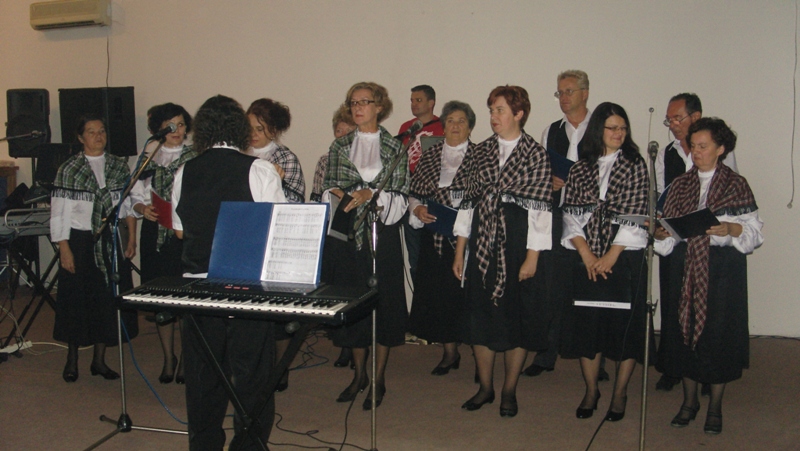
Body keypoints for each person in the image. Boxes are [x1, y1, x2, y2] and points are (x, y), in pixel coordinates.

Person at [171, 95, 286, 450]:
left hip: (199, 286)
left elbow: (179, 231)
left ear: (202, 129)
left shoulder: (185, 170)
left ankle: (204, 444)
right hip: (247, 285)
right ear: (239, 128)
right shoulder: (260, 170)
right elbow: (277, 228)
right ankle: (249, 444)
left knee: (204, 373)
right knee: (252, 373)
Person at [451, 86, 552, 418]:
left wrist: (532, 258)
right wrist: (460, 252)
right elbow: (467, 206)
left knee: (515, 319)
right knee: (480, 318)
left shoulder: (535, 154)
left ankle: (509, 390)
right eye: (492, 110)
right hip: (482, 241)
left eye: (500, 110)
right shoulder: (479, 152)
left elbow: (540, 212)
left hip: (518, 243)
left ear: (519, 113)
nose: (493, 117)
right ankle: (485, 387)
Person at [656, 117, 762, 435]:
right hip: (684, 268)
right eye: (693, 146)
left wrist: (732, 229)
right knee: (683, 333)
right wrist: (661, 234)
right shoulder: (680, 185)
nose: (696, 152)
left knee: (718, 337)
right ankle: (689, 402)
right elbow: (668, 234)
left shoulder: (736, 185)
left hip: (722, 271)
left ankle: (715, 406)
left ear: (721, 148)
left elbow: (754, 233)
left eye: (703, 146)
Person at [560, 101, 652, 422]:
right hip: (586, 256)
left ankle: (620, 392)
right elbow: (570, 216)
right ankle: (591, 390)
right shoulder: (580, 169)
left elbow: (637, 215)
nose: (618, 133)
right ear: (598, 130)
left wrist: (611, 255)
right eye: (612, 127)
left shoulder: (635, 165)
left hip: (624, 256)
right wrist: (587, 255)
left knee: (623, 330)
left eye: (623, 128)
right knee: (588, 328)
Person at [321, 82, 409, 410]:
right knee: (353, 305)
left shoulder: (395, 147)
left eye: (364, 102)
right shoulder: (340, 146)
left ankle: (378, 377)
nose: (357, 108)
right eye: (353, 103)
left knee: (381, 306)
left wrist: (371, 194)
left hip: (381, 235)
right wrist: (347, 194)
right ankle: (359, 375)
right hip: (349, 236)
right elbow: (330, 185)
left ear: (379, 107)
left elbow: (400, 195)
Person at [654, 93, 739, 392]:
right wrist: (661, 224)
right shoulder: (666, 154)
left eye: (678, 118)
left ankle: (708, 371)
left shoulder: (719, 152)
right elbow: (662, 194)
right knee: (674, 304)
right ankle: (675, 366)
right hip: (678, 244)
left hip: (711, 249)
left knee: (713, 315)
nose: (673, 125)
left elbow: (731, 198)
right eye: (669, 120)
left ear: (696, 116)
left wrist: (723, 225)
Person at [51, 115, 138, 382]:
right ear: (80, 137)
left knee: (106, 300)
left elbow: (126, 206)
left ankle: (99, 361)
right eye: (91, 132)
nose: (98, 136)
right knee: (77, 300)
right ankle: (72, 359)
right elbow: (59, 213)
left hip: (110, 238)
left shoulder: (118, 166)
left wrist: (131, 238)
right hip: (79, 241)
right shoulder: (69, 169)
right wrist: (64, 248)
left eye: (102, 131)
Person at [523, 70, 597, 378]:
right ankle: (546, 353)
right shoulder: (550, 131)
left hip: (591, 220)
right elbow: (539, 173)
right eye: (560, 93)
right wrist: (549, 181)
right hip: (556, 215)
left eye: (569, 91)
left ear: (585, 94)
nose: (563, 98)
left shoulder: (601, 128)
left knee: (590, 287)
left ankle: (594, 357)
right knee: (551, 286)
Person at [407, 100, 476, 376]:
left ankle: (479, 354)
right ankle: (450, 352)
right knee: (440, 297)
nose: (455, 126)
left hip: (470, 239)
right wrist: (418, 209)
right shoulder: (431, 154)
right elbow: (414, 193)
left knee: (467, 297)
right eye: (450, 121)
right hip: (435, 236)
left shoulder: (481, 156)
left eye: (461, 121)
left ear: (470, 127)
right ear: (443, 126)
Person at [131, 102, 196, 384]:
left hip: (184, 235)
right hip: (155, 233)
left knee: (186, 298)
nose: (177, 130)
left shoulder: (195, 156)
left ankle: (187, 357)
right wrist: (142, 208)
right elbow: (135, 194)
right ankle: (169, 357)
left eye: (181, 124)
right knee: (162, 298)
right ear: (158, 129)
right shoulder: (149, 156)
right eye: (170, 126)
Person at [245, 98, 306, 393]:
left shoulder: (285, 157)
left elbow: (296, 202)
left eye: (260, 128)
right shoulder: (239, 155)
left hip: (276, 241)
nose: (253, 134)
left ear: (274, 129)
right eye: (249, 127)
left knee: (278, 311)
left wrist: (277, 183)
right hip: (248, 239)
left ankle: (281, 368)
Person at [312, 105, 357, 369]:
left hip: (356, 232)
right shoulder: (325, 160)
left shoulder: (361, 162)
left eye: (347, 131)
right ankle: (343, 344)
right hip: (331, 231)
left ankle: (355, 344)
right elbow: (316, 195)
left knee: (353, 289)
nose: (341, 136)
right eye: (338, 131)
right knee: (335, 288)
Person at [398, 85, 445, 277]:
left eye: (418, 100)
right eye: (412, 100)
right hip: (410, 194)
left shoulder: (442, 126)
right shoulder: (406, 128)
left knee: (436, 254)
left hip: (435, 194)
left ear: (431, 103)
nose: (414, 104)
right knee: (415, 253)